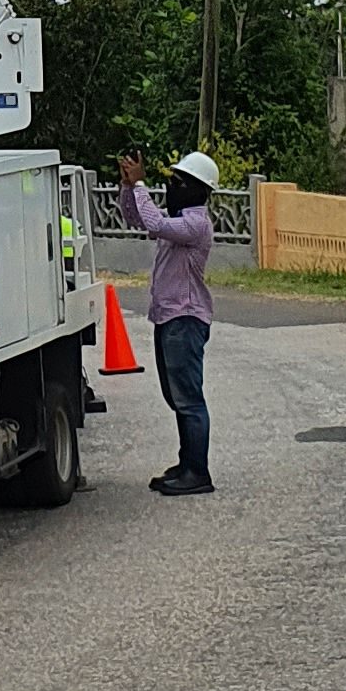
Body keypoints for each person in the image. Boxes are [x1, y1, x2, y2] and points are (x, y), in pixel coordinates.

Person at [118, 146, 220, 495]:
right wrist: (128, 186)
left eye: (179, 182)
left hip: (185, 318)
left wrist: (140, 184)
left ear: (198, 190)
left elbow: (154, 222)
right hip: (169, 317)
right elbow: (136, 218)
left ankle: (198, 472)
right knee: (176, 396)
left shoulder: (195, 224)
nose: (171, 187)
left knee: (188, 399)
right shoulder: (178, 220)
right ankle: (187, 463)